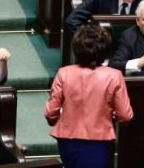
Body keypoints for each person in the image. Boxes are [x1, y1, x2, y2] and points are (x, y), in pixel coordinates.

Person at [44, 23, 132, 168]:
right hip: (100, 138)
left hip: (67, 138)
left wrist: (57, 121)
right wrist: (111, 116)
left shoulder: (64, 73)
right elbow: (126, 115)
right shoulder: (114, 75)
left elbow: (50, 112)